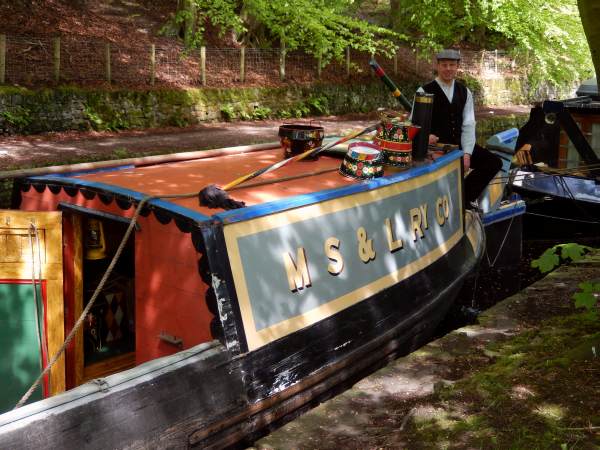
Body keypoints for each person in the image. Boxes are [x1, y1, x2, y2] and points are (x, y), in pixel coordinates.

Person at [418, 49, 502, 206]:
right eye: (444, 65)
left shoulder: (465, 92)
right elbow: (415, 124)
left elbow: (469, 124)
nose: (448, 68)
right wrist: (425, 136)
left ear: (457, 67)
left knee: (493, 163)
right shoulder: (424, 91)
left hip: (460, 146)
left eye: (452, 65)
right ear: (437, 66)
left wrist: (467, 153)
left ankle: (463, 198)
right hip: (437, 148)